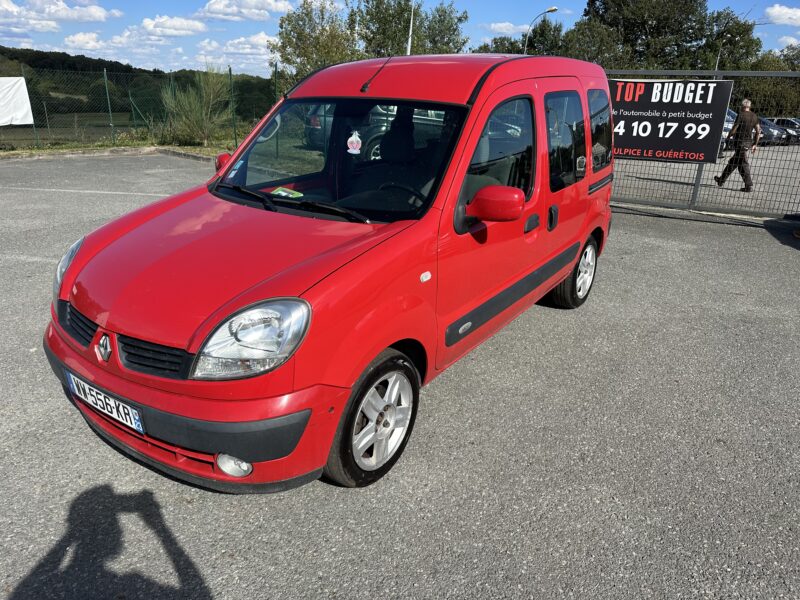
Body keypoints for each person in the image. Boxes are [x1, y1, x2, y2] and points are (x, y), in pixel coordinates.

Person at [714, 99, 761, 192]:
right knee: (733, 163)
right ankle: (721, 180)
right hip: (748, 143)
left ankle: (749, 186)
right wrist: (755, 144)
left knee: (743, 165)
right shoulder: (754, 116)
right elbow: (758, 131)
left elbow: (734, 128)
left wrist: (728, 136)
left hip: (740, 143)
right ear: (749, 106)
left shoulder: (741, 115)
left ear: (742, 106)